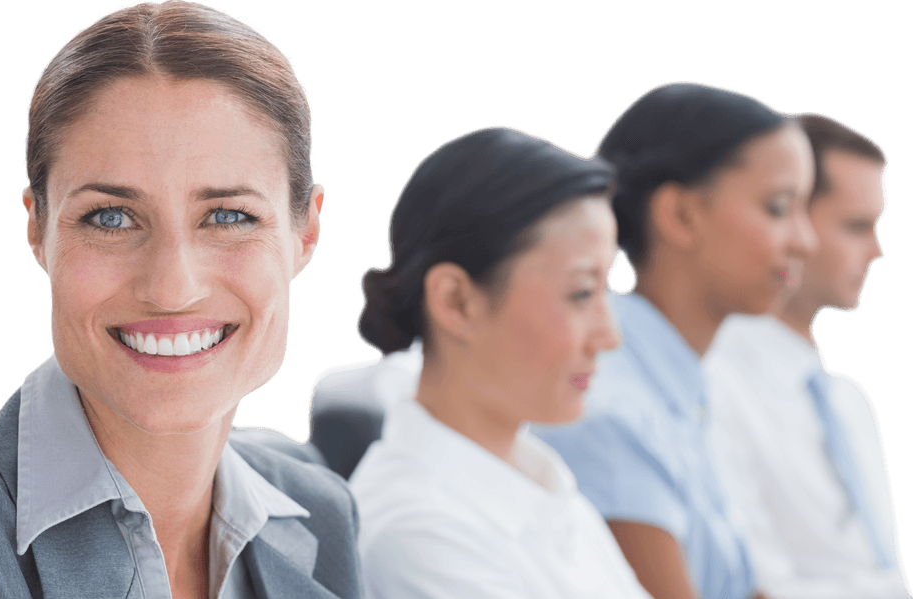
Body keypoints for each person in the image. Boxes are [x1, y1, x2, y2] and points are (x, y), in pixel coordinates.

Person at [0, 3, 362, 599]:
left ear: (306, 233)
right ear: (38, 228)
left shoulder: (322, 514)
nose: (173, 287)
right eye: (111, 218)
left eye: (229, 216)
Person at [533, 81, 817, 599]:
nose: (805, 240)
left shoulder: (683, 390)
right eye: (778, 208)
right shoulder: (613, 414)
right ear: (680, 216)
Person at [347, 125, 653, 599]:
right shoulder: (419, 537)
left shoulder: (548, 488)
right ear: (457, 302)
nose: (609, 336)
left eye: (607, 288)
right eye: (581, 293)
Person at [704, 112, 908, 598]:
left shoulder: (850, 404)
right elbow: (752, 585)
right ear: (788, 217)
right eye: (857, 226)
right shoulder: (712, 386)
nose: (878, 250)